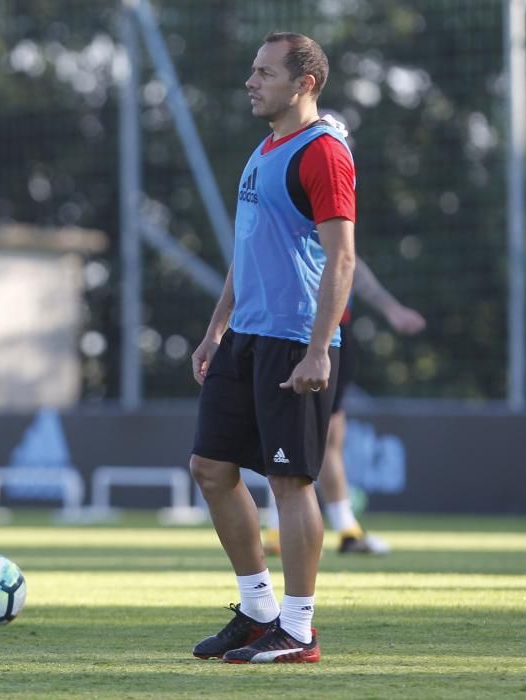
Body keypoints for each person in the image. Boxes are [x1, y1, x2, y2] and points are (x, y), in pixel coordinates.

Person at [189, 32, 355, 664]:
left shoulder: (323, 153)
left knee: (290, 481)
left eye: (264, 72)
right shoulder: (264, 149)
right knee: (210, 469)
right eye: (252, 71)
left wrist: (319, 349)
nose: (251, 82)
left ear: (304, 82)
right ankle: (258, 611)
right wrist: (215, 330)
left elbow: (342, 257)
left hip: (293, 341)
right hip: (246, 337)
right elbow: (247, 249)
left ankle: (300, 627)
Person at [263, 257, 426, 556]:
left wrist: (391, 308)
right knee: (287, 429)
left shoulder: (334, 223)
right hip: (292, 328)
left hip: (335, 331)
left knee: (331, 433)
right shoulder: (292, 217)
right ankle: (278, 526)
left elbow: (349, 262)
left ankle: (345, 529)